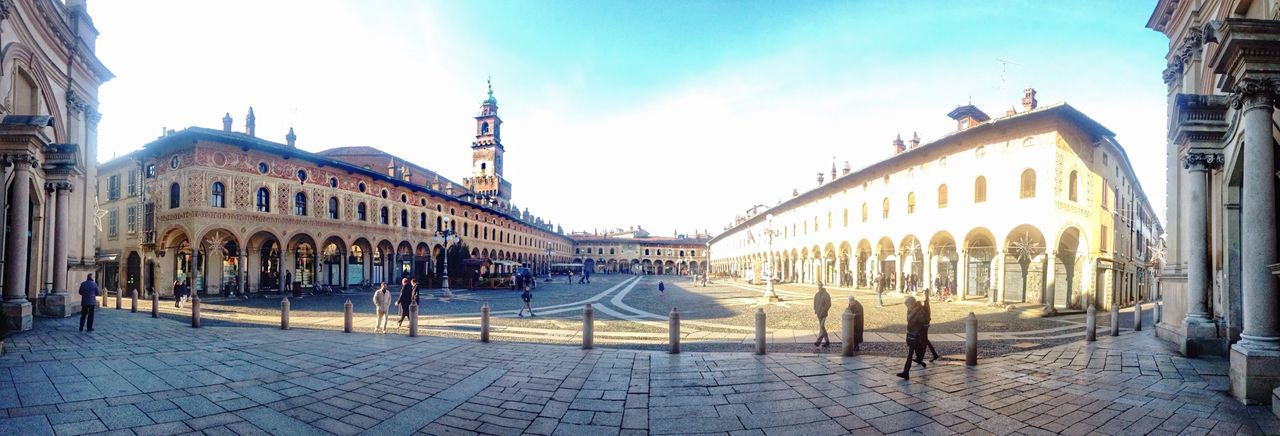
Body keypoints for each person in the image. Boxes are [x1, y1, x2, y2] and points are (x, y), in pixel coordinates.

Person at [897, 296, 928, 380]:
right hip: (911, 334)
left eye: (907, 305)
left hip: (916, 335)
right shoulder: (910, 310)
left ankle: (906, 372)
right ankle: (921, 362)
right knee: (917, 353)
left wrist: (921, 333)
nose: (907, 307)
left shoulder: (920, 312)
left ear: (912, 304)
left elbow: (925, 322)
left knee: (910, 354)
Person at [922, 294, 940, 362]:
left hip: (925, 325)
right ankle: (934, 354)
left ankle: (921, 357)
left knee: (925, 340)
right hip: (926, 324)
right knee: (925, 340)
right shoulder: (926, 303)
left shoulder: (926, 304)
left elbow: (926, 315)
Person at [813, 282, 832, 348]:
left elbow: (828, 304)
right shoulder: (817, 295)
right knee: (822, 327)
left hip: (823, 314)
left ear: (822, 286)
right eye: (818, 285)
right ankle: (827, 341)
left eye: (820, 285)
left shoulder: (826, 295)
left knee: (821, 326)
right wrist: (815, 310)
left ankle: (818, 341)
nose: (819, 287)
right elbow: (814, 303)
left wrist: (824, 310)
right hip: (818, 314)